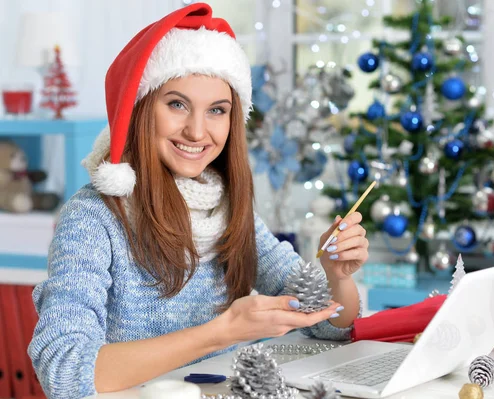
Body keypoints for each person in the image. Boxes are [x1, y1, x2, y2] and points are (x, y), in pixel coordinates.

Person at [28, 4, 368, 398]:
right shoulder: (93, 217)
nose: (196, 131)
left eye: (217, 111)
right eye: (177, 104)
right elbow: (64, 372)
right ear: (140, 110)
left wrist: (335, 276)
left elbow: (328, 324)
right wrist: (219, 333)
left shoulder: (227, 206)